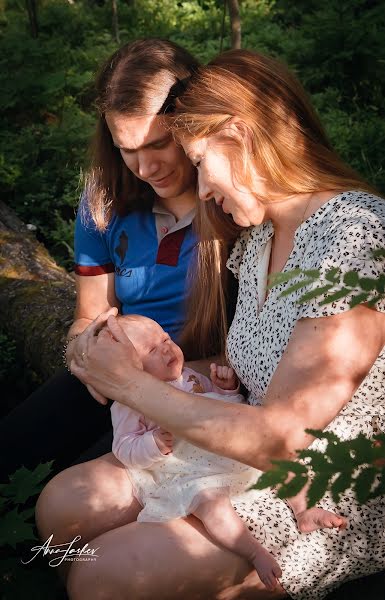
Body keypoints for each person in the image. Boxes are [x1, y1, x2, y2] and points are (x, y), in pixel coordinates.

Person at [36, 49, 385, 600]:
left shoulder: (354, 236)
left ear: (242, 136)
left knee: (102, 575)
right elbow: (249, 365)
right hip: (235, 445)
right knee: (62, 509)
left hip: (324, 486)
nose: (199, 192)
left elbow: (289, 440)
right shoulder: (262, 235)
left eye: (198, 162)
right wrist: (141, 361)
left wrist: (131, 385)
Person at [0, 38, 235, 481]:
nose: (146, 168)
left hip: (202, 391)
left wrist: (145, 384)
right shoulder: (104, 203)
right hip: (113, 383)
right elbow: (88, 316)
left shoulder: (232, 205)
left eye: (160, 144)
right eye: (128, 149)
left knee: (81, 484)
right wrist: (84, 356)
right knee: (13, 451)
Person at [108, 314, 346, 591]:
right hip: (188, 469)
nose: (165, 348)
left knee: (279, 461)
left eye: (165, 338)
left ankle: (305, 510)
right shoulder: (128, 404)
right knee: (210, 504)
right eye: (151, 350)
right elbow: (124, 447)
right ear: (131, 371)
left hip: (226, 451)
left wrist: (226, 391)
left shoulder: (190, 377)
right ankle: (253, 551)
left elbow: (225, 411)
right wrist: (154, 443)